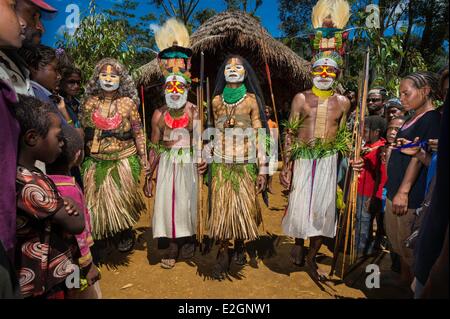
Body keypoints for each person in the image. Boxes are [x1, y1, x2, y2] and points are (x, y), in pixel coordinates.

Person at [144, 19, 203, 269]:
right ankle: (171, 243)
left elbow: (200, 140)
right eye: (171, 85)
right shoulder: (158, 113)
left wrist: (202, 159)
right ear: (165, 88)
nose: (176, 89)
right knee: (167, 202)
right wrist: (149, 173)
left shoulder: (194, 111)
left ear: (187, 87)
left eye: (180, 85)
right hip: (168, 163)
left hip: (188, 161)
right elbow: (155, 145)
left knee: (187, 201)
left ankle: (188, 237)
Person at [14, 94, 84, 298]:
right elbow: (76, 224)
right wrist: (68, 205)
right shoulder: (31, 184)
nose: (62, 144)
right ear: (32, 138)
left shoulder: (25, 175)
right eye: (58, 137)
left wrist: (63, 203)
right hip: (44, 281)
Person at [208, 55, 268, 280]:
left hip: (245, 163)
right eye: (228, 66)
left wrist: (262, 168)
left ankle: (241, 244)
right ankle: (223, 251)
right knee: (222, 209)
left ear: (245, 72)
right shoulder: (215, 101)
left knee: (242, 209)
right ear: (223, 73)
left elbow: (259, 134)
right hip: (222, 163)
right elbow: (213, 132)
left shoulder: (252, 100)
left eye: (238, 66)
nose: (232, 69)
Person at [80, 58, 148, 252]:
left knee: (121, 199)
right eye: (104, 75)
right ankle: (104, 231)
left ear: (121, 79)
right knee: (99, 202)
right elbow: (83, 130)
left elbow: (138, 131)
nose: (108, 79)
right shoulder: (89, 104)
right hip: (97, 160)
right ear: (97, 78)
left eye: (113, 75)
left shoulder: (128, 104)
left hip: (123, 158)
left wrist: (143, 157)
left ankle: (124, 230)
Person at [384, 71, 441, 286]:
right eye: (401, 94)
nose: (402, 99)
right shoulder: (412, 118)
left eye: (406, 93)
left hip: (408, 199)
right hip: (395, 192)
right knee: (399, 248)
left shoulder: (432, 119)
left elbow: (418, 159)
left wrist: (403, 191)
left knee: (409, 254)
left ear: (425, 91)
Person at [47, 124, 101, 298]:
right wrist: (88, 265)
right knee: (80, 291)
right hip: (75, 260)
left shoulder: (45, 182)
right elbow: (78, 233)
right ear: (78, 154)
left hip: (57, 259)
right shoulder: (69, 189)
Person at [354, 115, 387, 257]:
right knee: (360, 219)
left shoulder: (380, 149)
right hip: (360, 189)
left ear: (376, 132)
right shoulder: (367, 146)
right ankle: (361, 247)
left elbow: (380, 175)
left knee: (365, 220)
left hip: (368, 192)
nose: (363, 134)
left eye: (366, 131)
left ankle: (362, 249)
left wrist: (374, 196)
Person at [265, 105, 279, 194]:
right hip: (261, 147)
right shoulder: (260, 123)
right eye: (264, 112)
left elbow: (275, 137)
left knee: (270, 168)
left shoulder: (273, 124)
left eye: (267, 112)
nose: (266, 114)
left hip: (270, 147)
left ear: (270, 114)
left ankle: (269, 186)